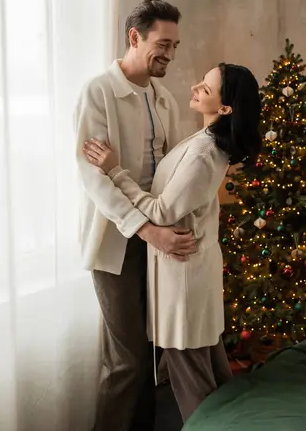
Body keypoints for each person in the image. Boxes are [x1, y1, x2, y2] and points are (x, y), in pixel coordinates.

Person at [83, 62, 262, 422]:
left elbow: (162, 211)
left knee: (193, 386)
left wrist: (116, 170)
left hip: (183, 283)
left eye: (206, 89)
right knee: (211, 376)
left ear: (225, 109)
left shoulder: (202, 153)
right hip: (189, 275)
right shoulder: (204, 142)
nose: (196, 87)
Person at [74, 0, 197, 431]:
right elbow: (93, 180)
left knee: (152, 352)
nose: (170, 54)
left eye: (175, 45)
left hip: (157, 236)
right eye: (163, 43)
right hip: (118, 243)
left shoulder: (164, 100)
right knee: (127, 360)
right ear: (135, 37)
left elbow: (172, 172)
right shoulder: (99, 92)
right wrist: (148, 231)